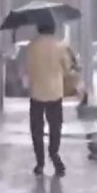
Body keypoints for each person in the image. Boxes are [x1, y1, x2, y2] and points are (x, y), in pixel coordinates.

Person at [25, 17, 75, 176]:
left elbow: (28, 69)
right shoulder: (60, 47)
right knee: (55, 127)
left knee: (37, 129)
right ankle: (54, 155)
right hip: (55, 93)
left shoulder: (31, 47)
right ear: (53, 29)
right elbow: (67, 71)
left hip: (37, 93)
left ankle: (40, 163)